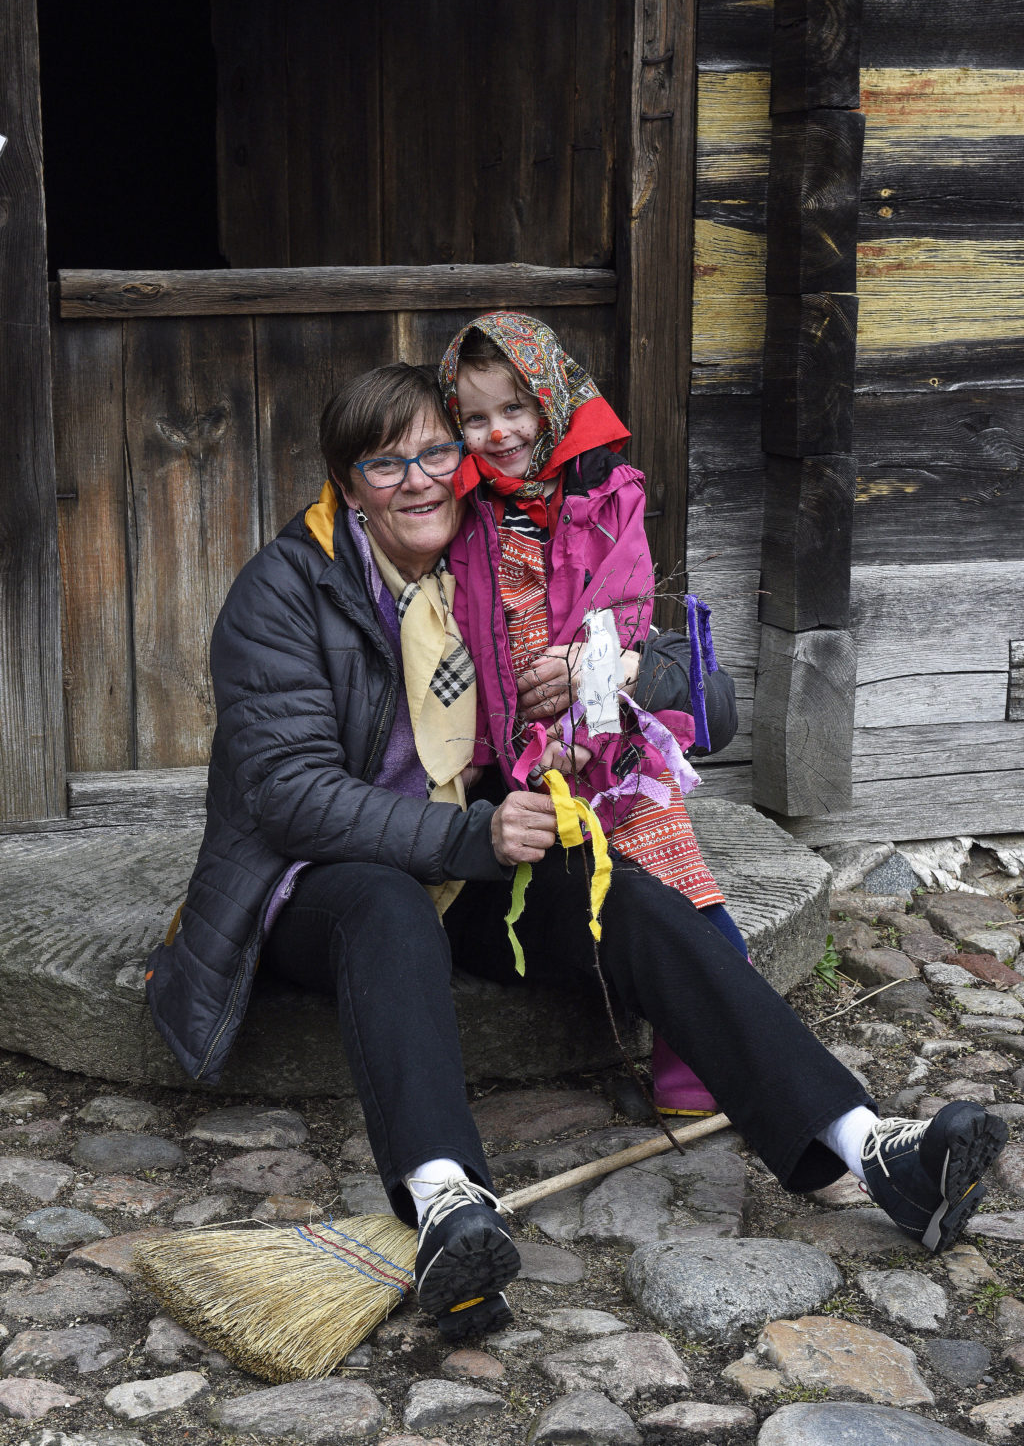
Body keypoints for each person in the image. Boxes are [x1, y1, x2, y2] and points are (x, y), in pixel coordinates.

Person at [146, 362, 1007, 1348]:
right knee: (381, 901)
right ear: (347, 484)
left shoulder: (502, 565)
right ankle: (444, 1207)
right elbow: (287, 795)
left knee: (627, 897)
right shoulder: (284, 589)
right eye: (387, 464)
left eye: (438, 451)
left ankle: (867, 1148)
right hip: (305, 887)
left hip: (460, 864)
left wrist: (619, 668)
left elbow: (709, 703)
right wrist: (472, 833)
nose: (421, 479)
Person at [441, 310, 746, 1117]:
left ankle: (706, 1075)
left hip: (609, 747)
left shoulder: (611, 498)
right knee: (603, 904)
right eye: (474, 418)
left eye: (515, 408)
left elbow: (624, 617)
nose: (497, 432)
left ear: (551, 398)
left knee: (681, 889)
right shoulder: (460, 519)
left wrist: (584, 711)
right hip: (512, 760)